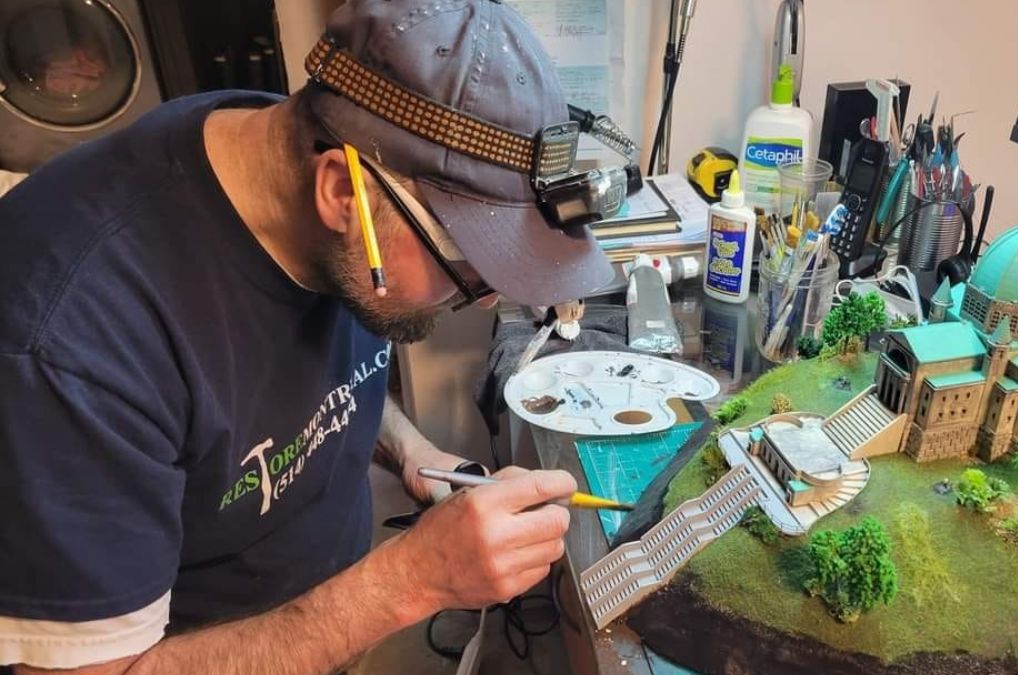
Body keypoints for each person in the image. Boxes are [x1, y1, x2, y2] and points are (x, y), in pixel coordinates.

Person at [0, 0, 615, 672]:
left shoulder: (301, 156)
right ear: (342, 194)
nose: (487, 296)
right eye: (466, 266)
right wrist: (409, 582)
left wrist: (412, 451)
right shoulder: (65, 345)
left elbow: (311, 384)